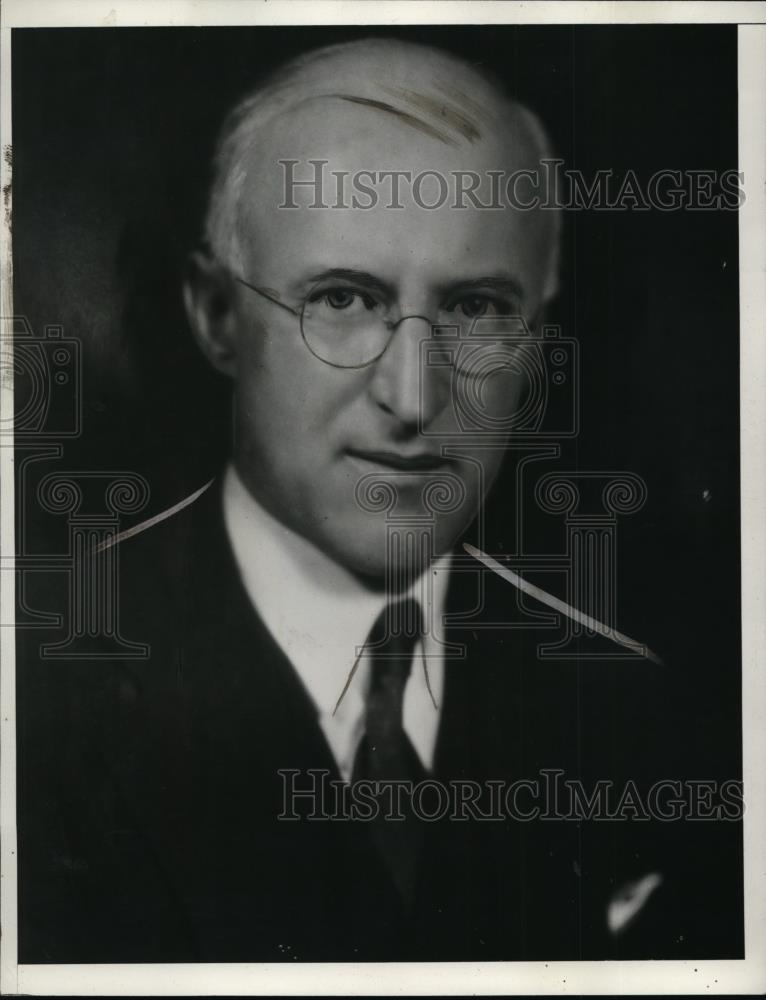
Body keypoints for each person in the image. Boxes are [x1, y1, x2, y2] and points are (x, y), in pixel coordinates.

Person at [17, 37, 742, 963]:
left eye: (478, 309)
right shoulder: (39, 680)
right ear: (214, 315)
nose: (413, 395)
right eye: (345, 299)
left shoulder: (642, 715)